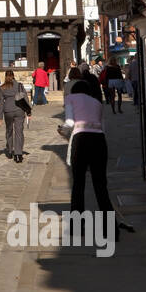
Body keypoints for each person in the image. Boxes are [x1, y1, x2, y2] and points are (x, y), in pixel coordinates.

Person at [60, 71, 131, 242]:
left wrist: (62, 129)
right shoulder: (97, 102)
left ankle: (77, 228)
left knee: (78, 185)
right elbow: (103, 127)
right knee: (100, 186)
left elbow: (69, 123)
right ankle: (111, 230)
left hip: (81, 139)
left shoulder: (71, 99)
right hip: (99, 141)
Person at [0, 70, 31, 162]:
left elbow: (1, 103)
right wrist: (29, 112)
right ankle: (18, 154)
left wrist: (0, 118)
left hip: (8, 111)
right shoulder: (19, 85)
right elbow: (25, 98)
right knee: (19, 132)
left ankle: (10, 150)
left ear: (5, 76)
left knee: (9, 131)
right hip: (19, 110)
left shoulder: (2, 87)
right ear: (13, 76)